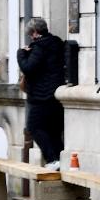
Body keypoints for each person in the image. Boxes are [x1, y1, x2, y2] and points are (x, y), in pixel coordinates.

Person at [17, 17, 66, 170]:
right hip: (56, 95)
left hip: (41, 96)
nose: (31, 37)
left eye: (31, 34)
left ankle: (52, 159)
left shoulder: (39, 47)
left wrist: (21, 53)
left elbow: (28, 68)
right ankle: (61, 160)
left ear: (36, 33)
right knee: (53, 131)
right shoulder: (57, 43)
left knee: (33, 127)